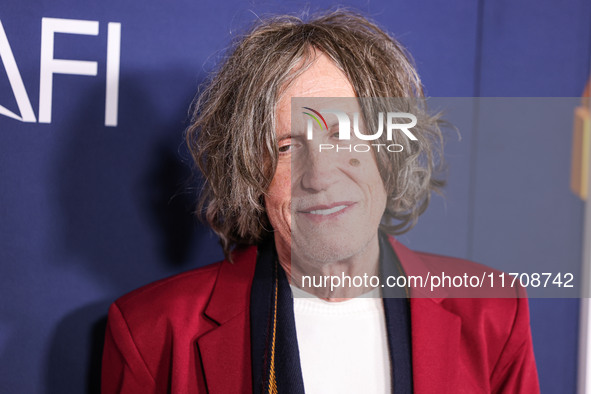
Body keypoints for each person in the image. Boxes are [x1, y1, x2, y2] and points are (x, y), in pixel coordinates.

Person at [101, 10, 540, 393]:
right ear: (251, 177)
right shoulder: (153, 333)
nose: (320, 175)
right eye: (287, 146)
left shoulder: (492, 312)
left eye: (344, 134)